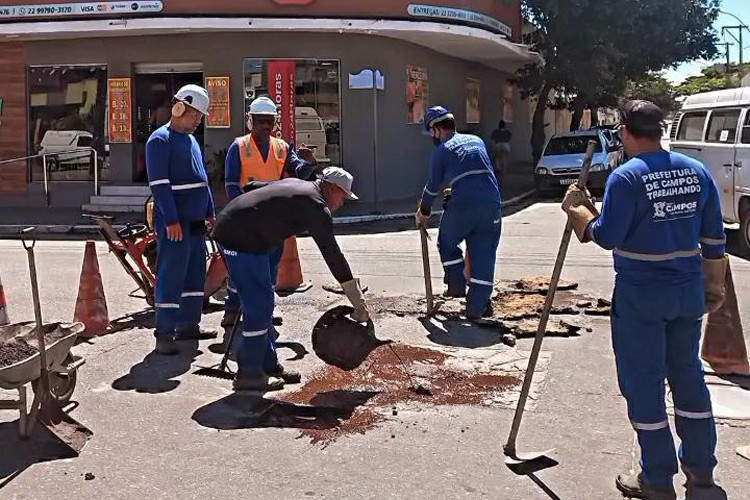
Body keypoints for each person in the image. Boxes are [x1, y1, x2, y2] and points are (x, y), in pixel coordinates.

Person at [562, 100, 728, 500]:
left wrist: (579, 212)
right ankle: (701, 472)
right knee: (688, 377)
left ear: (624, 131)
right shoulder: (696, 172)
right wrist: (714, 287)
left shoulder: (626, 178)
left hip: (641, 297)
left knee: (644, 384)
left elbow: (607, 236)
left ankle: (656, 476)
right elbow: (715, 240)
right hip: (687, 292)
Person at [212, 167, 370, 391]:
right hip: (238, 238)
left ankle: (268, 364)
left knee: (264, 303)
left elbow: (253, 185)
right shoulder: (316, 207)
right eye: (343, 195)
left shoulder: (301, 186)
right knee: (258, 307)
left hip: (245, 233)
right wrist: (357, 301)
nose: (343, 201)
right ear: (332, 188)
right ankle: (249, 374)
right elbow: (333, 255)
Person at [221, 96, 320, 329]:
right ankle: (232, 309)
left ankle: (265, 309)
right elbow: (231, 184)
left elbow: (299, 172)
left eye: (270, 121)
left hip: (272, 221)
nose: (266, 126)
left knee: (269, 268)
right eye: (260, 121)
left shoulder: (282, 147)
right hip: (245, 220)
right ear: (250, 122)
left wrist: (310, 163)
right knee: (241, 270)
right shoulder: (239, 147)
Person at [146, 84, 218, 356]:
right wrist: (172, 219)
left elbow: (203, 180)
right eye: (195, 115)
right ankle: (164, 334)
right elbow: (160, 185)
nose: (198, 120)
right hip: (175, 224)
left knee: (194, 273)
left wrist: (210, 211)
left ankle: (189, 325)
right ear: (179, 108)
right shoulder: (159, 140)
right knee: (172, 274)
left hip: (196, 222)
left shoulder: (190, 140)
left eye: (200, 117)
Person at [416, 105, 502, 320]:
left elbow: (433, 186)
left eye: (431, 132)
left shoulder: (442, 151)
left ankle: (456, 285)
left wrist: (423, 211)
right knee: (484, 253)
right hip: (492, 203)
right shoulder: (477, 140)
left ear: (436, 129)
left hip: (463, 205)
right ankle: (477, 307)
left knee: (447, 242)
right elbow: (476, 176)